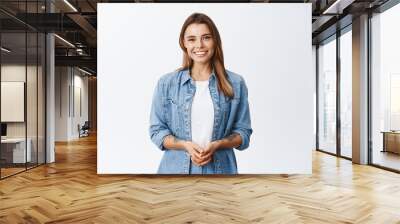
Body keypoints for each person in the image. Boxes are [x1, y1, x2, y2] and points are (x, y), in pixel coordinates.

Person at [149, 12, 252, 174]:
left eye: (206, 37)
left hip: (221, 172)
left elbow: (243, 133)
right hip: (174, 173)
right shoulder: (166, 83)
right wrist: (185, 145)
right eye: (192, 39)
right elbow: (157, 131)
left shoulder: (236, 83)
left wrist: (218, 144)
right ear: (184, 43)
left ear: (215, 41)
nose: (199, 45)